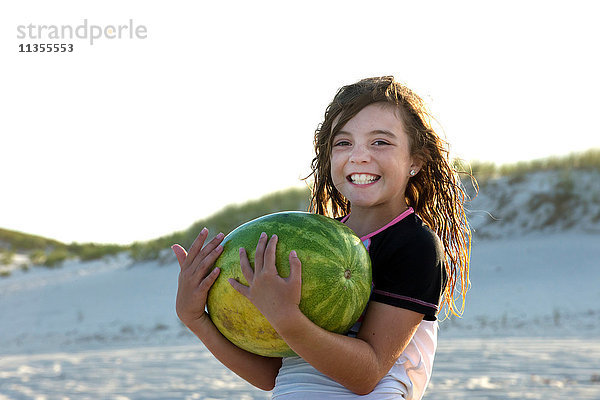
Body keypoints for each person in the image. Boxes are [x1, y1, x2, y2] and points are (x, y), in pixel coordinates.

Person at [172, 76, 472, 399]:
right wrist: (196, 319)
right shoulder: (313, 243)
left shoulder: (414, 246)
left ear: (416, 160)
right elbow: (272, 374)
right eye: (343, 143)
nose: (358, 156)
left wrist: (286, 317)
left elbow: (366, 374)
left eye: (380, 142)